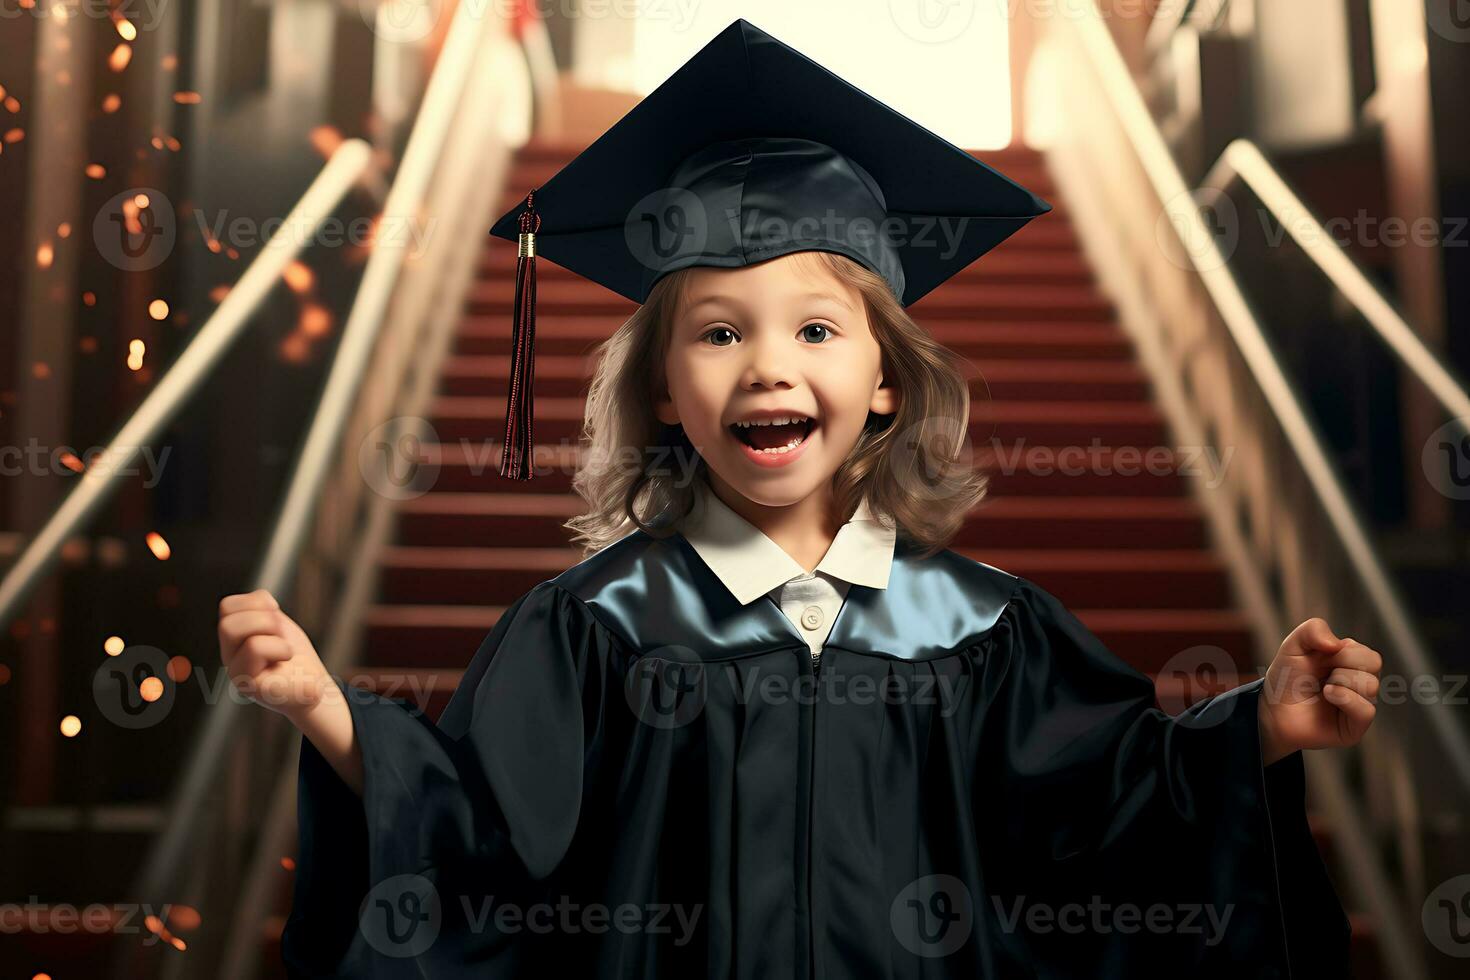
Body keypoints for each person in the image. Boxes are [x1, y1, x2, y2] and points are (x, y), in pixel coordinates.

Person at [218, 18, 1379, 979]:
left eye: (817, 328)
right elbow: (477, 839)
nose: (769, 365)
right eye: (718, 332)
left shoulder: (986, 631)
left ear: (884, 380)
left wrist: (1258, 733)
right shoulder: (593, 627)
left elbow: (1118, 820)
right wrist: (333, 713)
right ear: (666, 392)